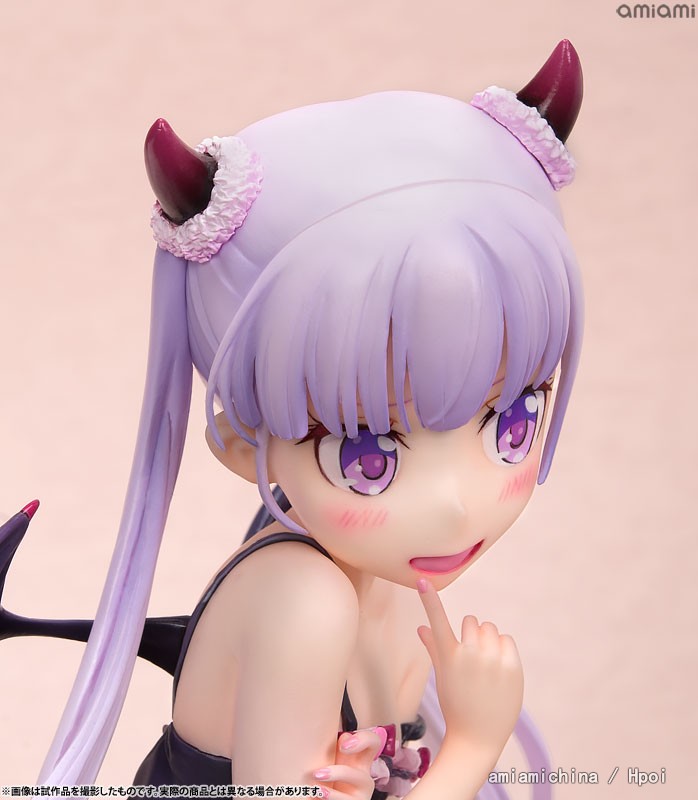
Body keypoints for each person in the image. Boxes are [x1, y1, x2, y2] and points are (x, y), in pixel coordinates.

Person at [24, 40, 583, 800]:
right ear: (241, 442)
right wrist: (474, 745)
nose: (457, 503)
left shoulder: (380, 564)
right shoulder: (304, 599)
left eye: (511, 423)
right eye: (369, 459)